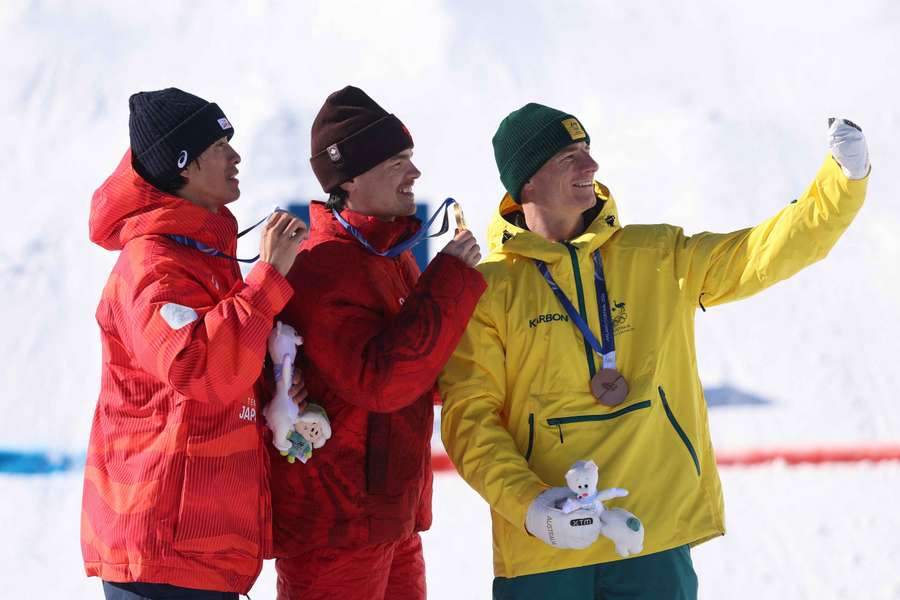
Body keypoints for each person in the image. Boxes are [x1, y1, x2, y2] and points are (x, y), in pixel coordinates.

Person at [438, 104, 869, 599]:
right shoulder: (490, 290)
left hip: (651, 531)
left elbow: (758, 254)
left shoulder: (658, 255)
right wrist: (532, 507)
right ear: (527, 184)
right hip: (543, 547)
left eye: (588, 151)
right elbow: (470, 420)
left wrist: (840, 184)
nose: (591, 167)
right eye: (568, 158)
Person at [82, 87, 308, 599]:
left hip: (198, 550)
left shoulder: (199, 254)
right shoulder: (153, 265)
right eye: (219, 144)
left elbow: (228, 358)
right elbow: (199, 369)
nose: (236, 156)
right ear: (184, 164)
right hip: (165, 552)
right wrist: (268, 278)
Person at [268, 86, 487, 600]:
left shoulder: (387, 255)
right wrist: (450, 280)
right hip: (336, 530)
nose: (415, 173)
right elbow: (382, 384)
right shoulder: (324, 264)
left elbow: (420, 374)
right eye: (398, 161)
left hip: (388, 518)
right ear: (351, 179)